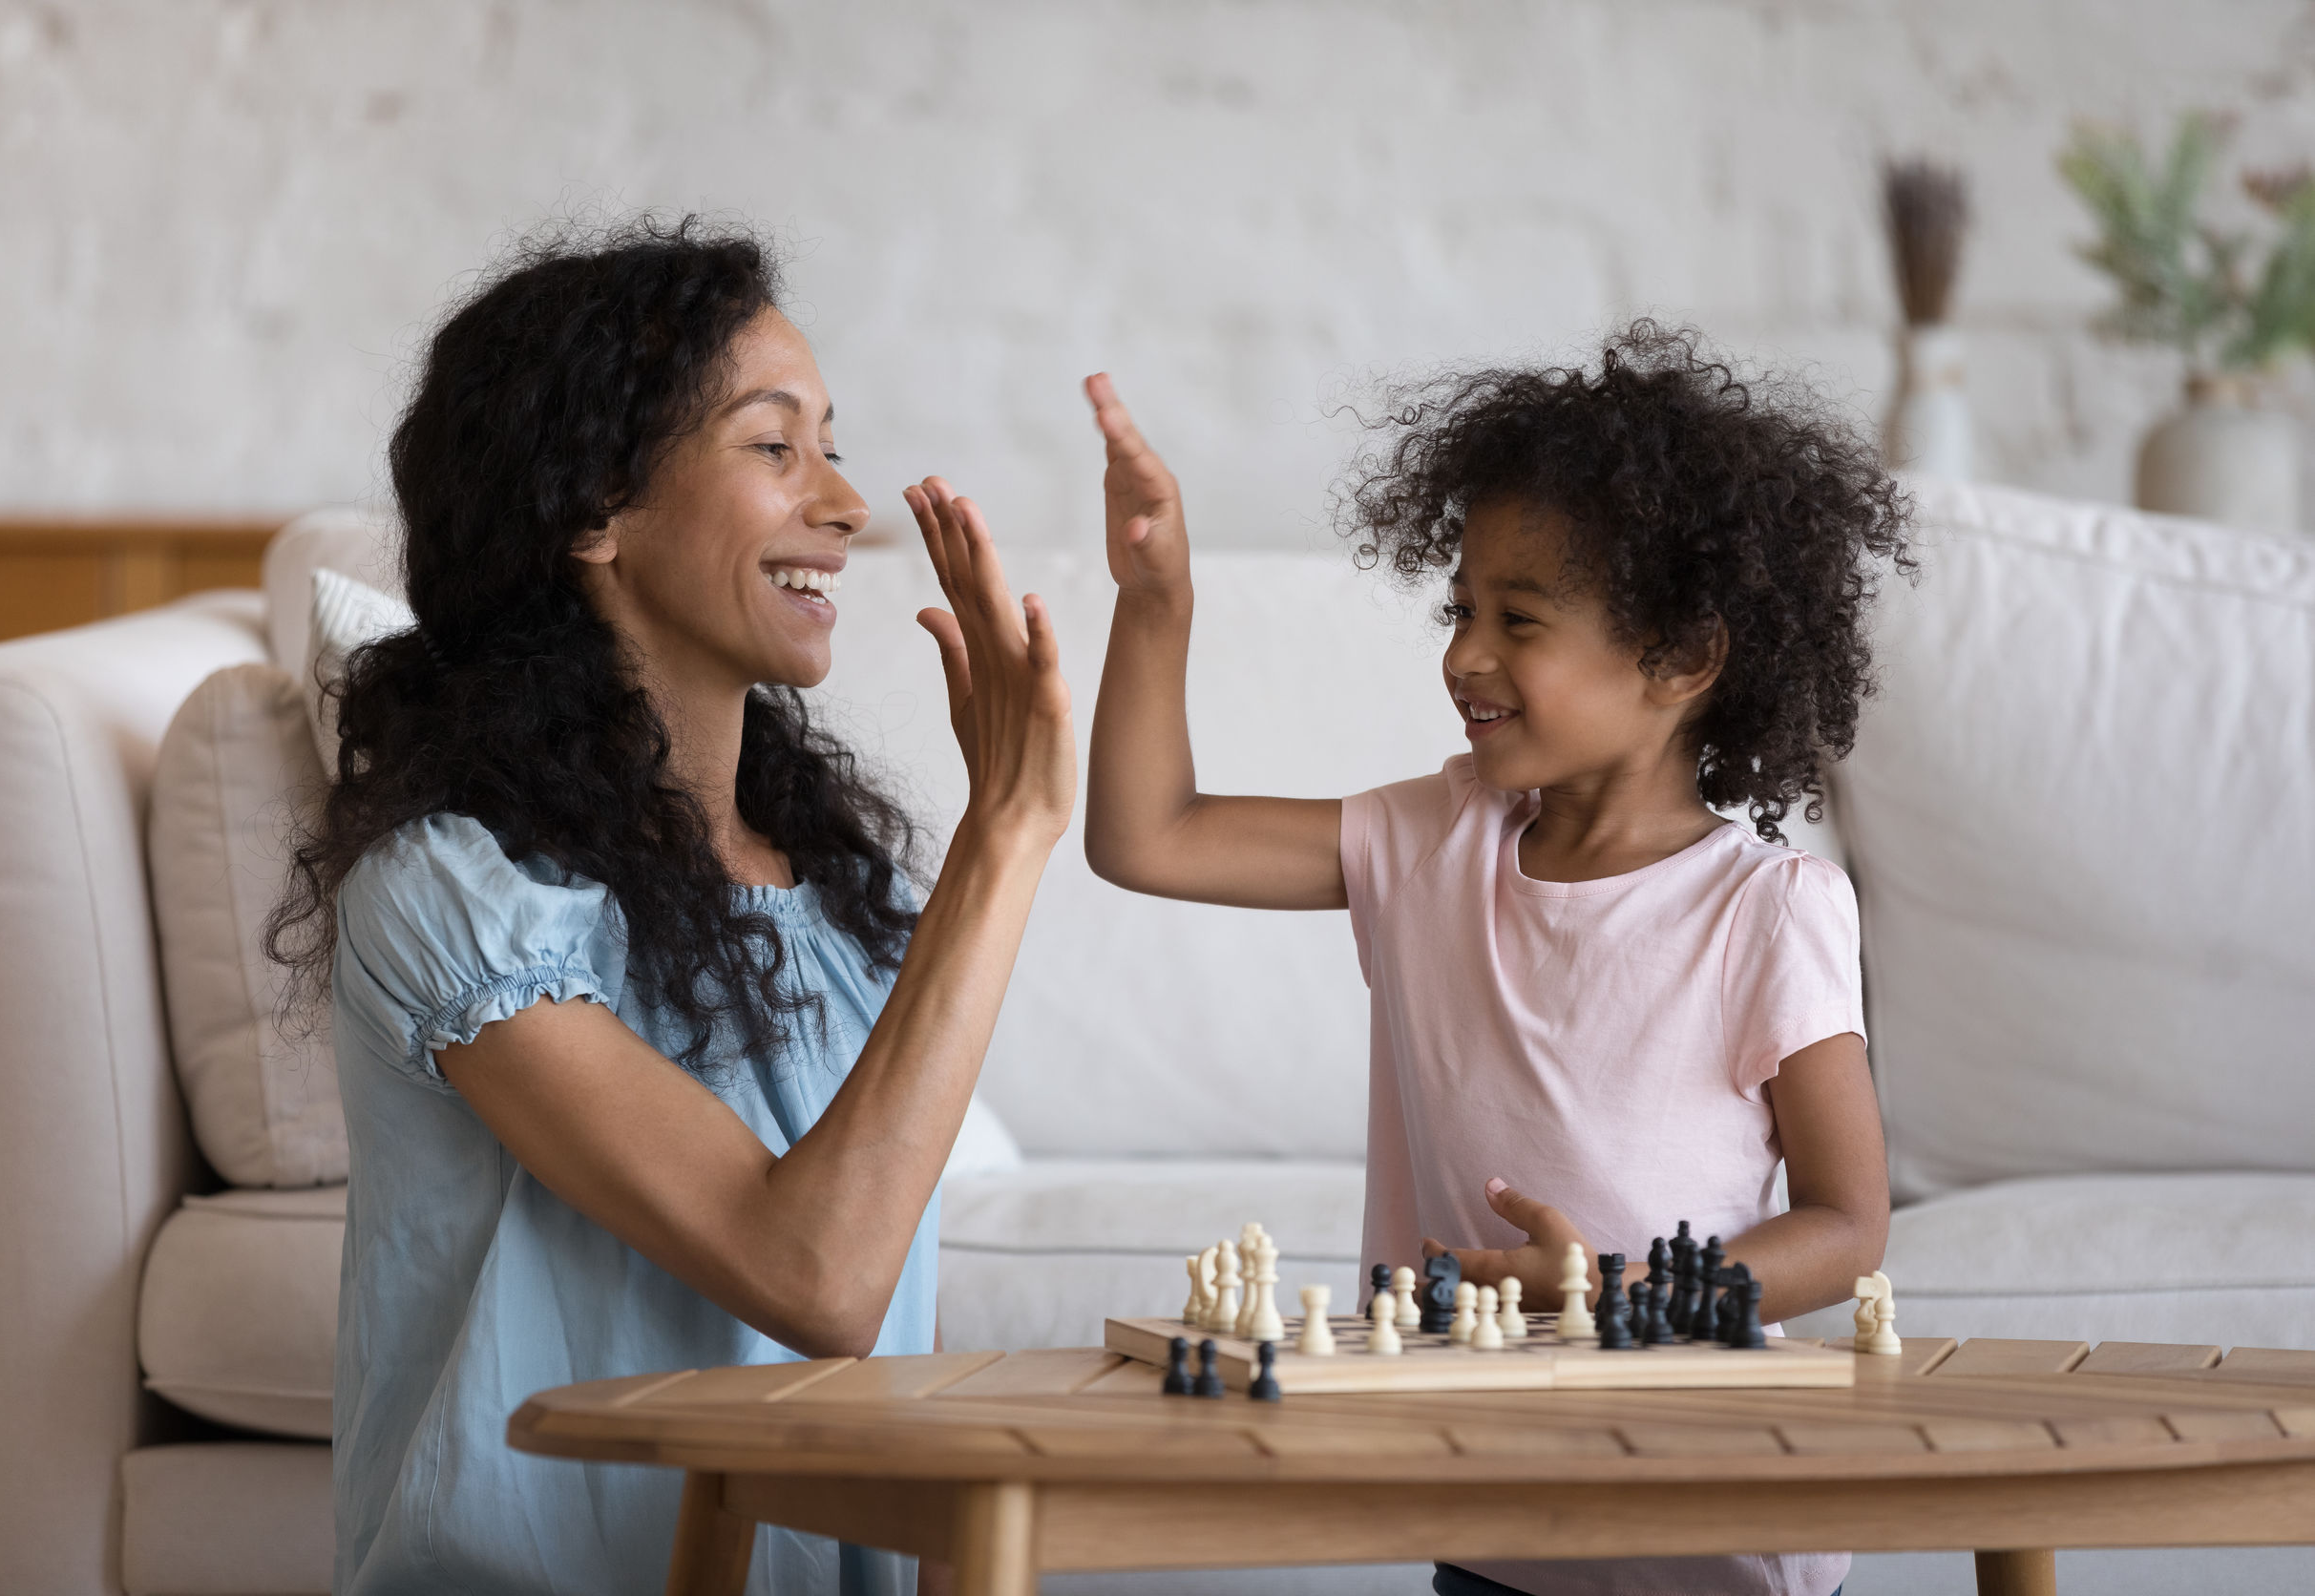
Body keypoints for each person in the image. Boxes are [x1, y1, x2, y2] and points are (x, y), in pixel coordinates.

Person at [267, 219, 1073, 1596]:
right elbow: (815, 1274)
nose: (844, 503)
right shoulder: (455, 892)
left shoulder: (845, 887)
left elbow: (896, 1345)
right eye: (775, 447)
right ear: (593, 508)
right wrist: (1011, 828)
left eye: (831, 442)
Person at [1081, 323, 1906, 1596]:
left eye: (1518, 620)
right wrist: (1157, 605)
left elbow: (1849, 1223)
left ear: (1683, 658)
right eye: (1461, 608)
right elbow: (1150, 837)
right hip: (1493, 1523)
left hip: (1713, 1530)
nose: (1465, 654)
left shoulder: (1769, 908)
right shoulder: (1429, 841)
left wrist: (1626, 1295)